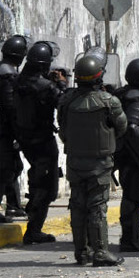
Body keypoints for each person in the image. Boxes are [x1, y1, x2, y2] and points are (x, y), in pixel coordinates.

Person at [57, 55, 127, 266]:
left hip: (75, 163)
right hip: (100, 164)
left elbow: (63, 129)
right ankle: (100, 252)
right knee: (97, 208)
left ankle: (82, 252)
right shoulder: (109, 102)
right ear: (99, 77)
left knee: (78, 206)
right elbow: (121, 127)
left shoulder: (66, 101)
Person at [13, 40, 67, 244]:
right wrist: (61, 83)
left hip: (24, 139)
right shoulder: (45, 87)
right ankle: (33, 229)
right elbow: (63, 102)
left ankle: (33, 222)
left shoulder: (18, 81)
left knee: (38, 180)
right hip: (43, 140)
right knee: (47, 187)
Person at [113, 58, 139, 252]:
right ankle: (129, 240)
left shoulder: (121, 93)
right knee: (132, 195)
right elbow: (132, 127)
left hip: (119, 150)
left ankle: (133, 236)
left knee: (132, 193)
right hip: (130, 153)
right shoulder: (137, 97)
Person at [0, 35, 28, 223]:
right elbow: (11, 107)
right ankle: (12, 206)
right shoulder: (8, 76)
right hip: (3, 131)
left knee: (12, 167)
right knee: (6, 169)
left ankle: (13, 206)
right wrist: (19, 132)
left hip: (4, 130)